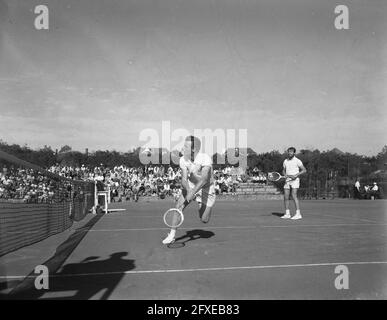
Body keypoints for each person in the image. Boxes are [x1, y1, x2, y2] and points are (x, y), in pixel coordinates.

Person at [162, 136, 216, 244]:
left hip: (207, 189)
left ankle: (202, 204)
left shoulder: (205, 158)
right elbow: (183, 179)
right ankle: (172, 235)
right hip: (191, 185)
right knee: (178, 207)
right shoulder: (183, 160)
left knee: (204, 219)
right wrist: (187, 189)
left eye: (186, 146)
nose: (183, 148)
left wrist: (193, 193)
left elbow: (204, 179)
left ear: (193, 149)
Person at [281, 147, 307, 220]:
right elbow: (283, 170)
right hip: (287, 180)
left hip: (295, 180)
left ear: (294, 153)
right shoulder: (285, 161)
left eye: (291, 152)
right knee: (286, 197)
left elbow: (304, 170)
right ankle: (287, 213)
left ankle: (298, 214)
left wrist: (296, 175)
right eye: (289, 152)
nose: (290, 153)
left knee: (293, 195)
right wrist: (285, 174)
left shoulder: (297, 161)